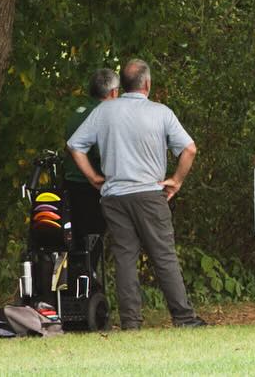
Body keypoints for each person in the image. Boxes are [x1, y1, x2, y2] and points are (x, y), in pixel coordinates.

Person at [67, 58, 208, 329]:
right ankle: (184, 318)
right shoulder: (161, 112)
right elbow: (189, 149)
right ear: (147, 84)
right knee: (164, 255)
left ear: (124, 83)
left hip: (114, 196)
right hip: (149, 194)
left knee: (124, 258)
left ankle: (132, 322)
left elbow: (75, 146)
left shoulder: (104, 111)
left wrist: (93, 177)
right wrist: (176, 181)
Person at [63, 67, 118, 267]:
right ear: (113, 93)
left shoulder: (76, 112)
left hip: (69, 183)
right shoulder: (101, 115)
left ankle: (68, 289)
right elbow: (101, 155)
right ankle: (87, 290)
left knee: (72, 242)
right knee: (90, 244)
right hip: (90, 188)